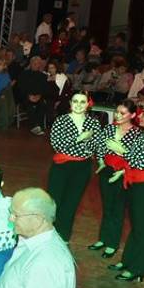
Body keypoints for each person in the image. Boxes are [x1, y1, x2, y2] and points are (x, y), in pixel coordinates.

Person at [88, 99, 143, 258]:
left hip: (124, 174)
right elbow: (100, 147)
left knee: (118, 209)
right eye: (117, 112)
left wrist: (121, 154)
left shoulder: (137, 133)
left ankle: (112, 243)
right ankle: (103, 239)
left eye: (122, 113)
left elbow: (136, 157)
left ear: (132, 115)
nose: (117, 115)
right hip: (106, 170)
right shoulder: (109, 128)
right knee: (107, 207)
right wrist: (100, 161)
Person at [46, 91, 101, 242]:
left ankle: (63, 237)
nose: (78, 104)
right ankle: (47, 236)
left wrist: (79, 144)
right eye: (75, 101)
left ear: (88, 105)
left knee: (71, 203)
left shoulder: (94, 123)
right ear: (70, 104)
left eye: (82, 102)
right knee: (53, 202)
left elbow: (94, 146)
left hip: (82, 167)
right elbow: (57, 144)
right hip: (61, 167)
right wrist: (79, 139)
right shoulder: (61, 121)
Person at [110, 104, 144, 281]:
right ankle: (128, 260)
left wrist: (121, 151)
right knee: (137, 223)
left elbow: (140, 162)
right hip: (137, 183)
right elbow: (133, 159)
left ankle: (139, 269)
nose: (141, 117)